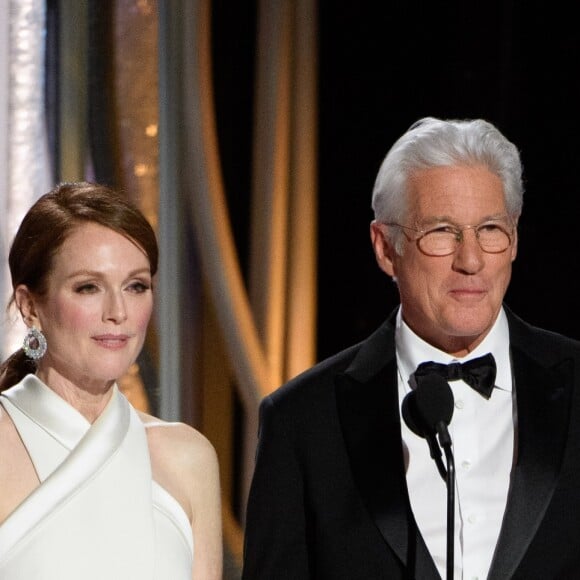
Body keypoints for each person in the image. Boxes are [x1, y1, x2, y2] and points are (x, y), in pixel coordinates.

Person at [242, 117, 580, 579]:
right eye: (442, 231)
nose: (471, 260)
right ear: (386, 248)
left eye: (489, 229)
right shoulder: (302, 421)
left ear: (515, 238)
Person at [0, 182, 222, 579]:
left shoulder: (188, 457)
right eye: (89, 287)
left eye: (136, 286)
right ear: (30, 305)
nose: (118, 312)